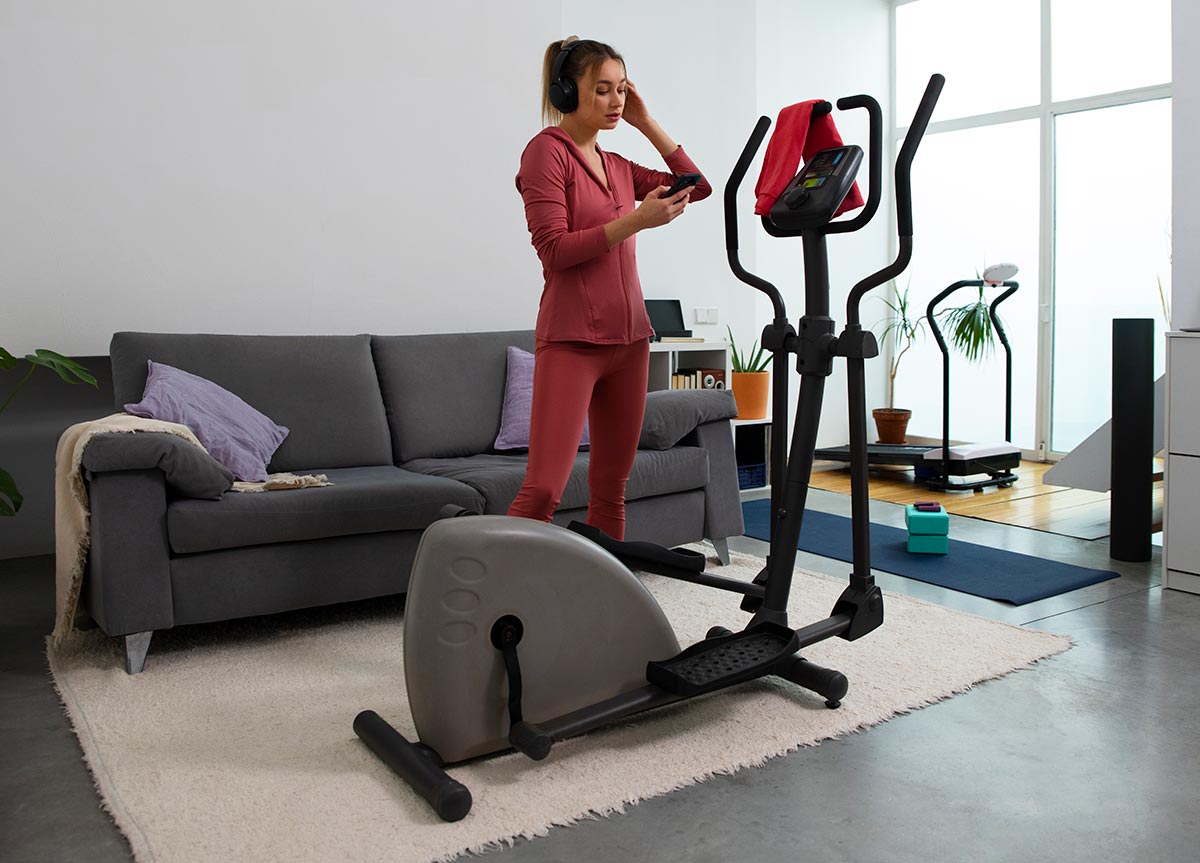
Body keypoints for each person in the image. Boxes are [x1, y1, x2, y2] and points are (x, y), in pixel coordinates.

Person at [507, 37, 711, 540]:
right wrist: (636, 221)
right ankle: (493, 585)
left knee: (611, 489)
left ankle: (600, 604)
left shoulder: (619, 166)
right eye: (602, 89)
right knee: (543, 491)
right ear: (565, 91)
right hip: (572, 341)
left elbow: (697, 185)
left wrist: (646, 122)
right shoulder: (544, 154)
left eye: (621, 89)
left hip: (630, 342)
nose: (615, 100)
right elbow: (554, 250)